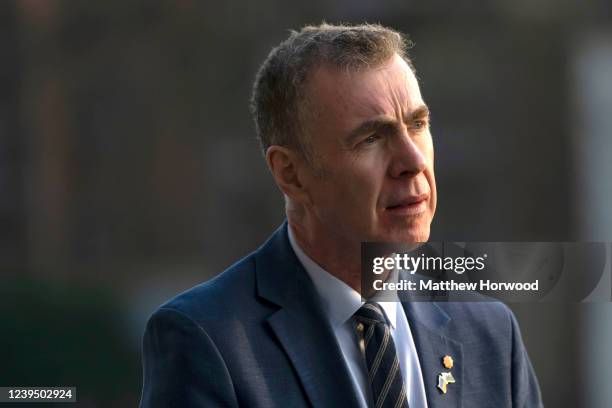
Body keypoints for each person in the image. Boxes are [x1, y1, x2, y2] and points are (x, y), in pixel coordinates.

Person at [139, 23, 543, 408]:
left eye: (418, 124)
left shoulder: (490, 335)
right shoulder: (206, 339)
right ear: (291, 174)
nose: (413, 160)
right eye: (371, 137)